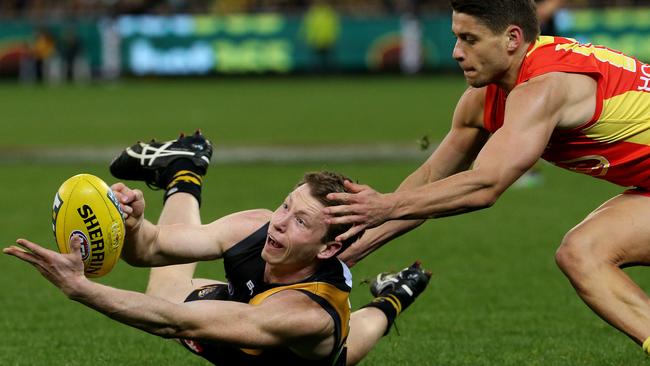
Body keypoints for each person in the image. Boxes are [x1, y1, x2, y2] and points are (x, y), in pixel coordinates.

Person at [323, 0, 650, 354]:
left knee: (584, 253)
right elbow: (432, 178)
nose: (456, 52)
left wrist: (386, 206)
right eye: (456, 38)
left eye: (469, 40)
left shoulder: (544, 87)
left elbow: (486, 184)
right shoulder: (484, 99)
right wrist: (353, 248)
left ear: (512, 38)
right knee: (582, 253)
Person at [4, 132, 431, 365]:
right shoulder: (260, 227)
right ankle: (184, 168)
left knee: (355, 339)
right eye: (286, 205)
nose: (279, 222)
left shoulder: (308, 315)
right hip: (248, 320)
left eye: (300, 221)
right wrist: (133, 224)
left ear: (328, 247)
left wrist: (79, 288)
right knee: (165, 287)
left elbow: (175, 322)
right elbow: (152, 249)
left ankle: (397, 294)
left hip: (281, 338)